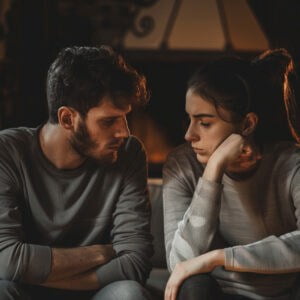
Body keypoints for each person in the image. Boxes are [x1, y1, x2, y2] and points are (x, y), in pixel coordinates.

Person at [0, 46, 153, 300]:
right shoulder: (7, 152)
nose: (124, 132)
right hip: (23, 293)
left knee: (129, 294)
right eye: (108, 121)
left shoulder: (129, 153)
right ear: (67, 119)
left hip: (97, 294)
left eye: (125, 118)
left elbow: (135, 263)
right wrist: (99, 253)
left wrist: (37, 273)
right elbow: (7, 259)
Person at [163, 48, 300, 300]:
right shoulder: (182, 165)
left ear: (247, 124)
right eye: (189, 119)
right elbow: (180, 262)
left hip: (284, 293)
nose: (189, 135)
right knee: (193, 287)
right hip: (213, 293)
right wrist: (213, 171)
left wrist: (219, 258)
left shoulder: (290, 164)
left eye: (204, 123)